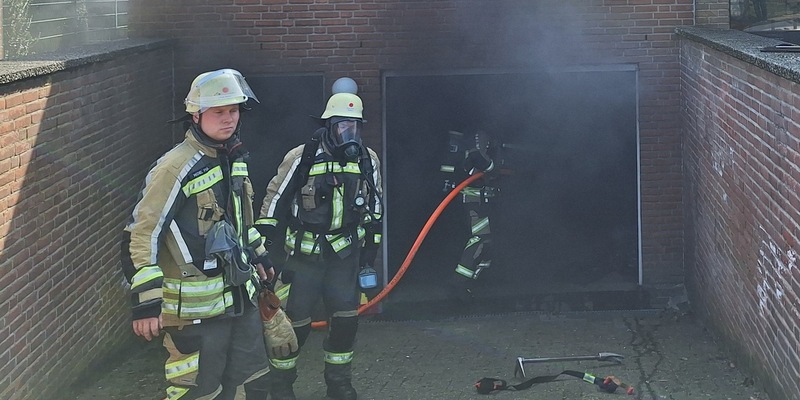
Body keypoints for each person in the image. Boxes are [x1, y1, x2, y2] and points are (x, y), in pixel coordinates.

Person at [120, 68, 296, 400]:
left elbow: (240, 223)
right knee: (201, 392)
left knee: (254, 383)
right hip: (195, 314)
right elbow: (141, 233)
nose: (228, 119)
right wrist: (145, 303)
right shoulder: (174, 167)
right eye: (219, 112)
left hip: (240, 300)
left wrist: (259, 255)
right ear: (196, 115)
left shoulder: (234, 159)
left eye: (234, 110)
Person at [255, 82, 383, 400]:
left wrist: (369, 255)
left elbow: (375, 209)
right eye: (342, 125)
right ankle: (281, 386)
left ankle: (339, 384)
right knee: (293, 325)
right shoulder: (301, 157)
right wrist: (263, 247)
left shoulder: (367, 160)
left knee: (345, 322)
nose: (349, 133)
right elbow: (274, 200)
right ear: (328, 125)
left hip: (345, 257)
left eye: (354, 126)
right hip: (303, 257)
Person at [440, 129, 498, 304]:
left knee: (486, 242)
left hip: (479, 203)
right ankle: (459, 283)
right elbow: (487, 166)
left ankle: (469, 283)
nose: (486, 143)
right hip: (473, 204)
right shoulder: (471, 149)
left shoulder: (461, 147)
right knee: (481, 239)